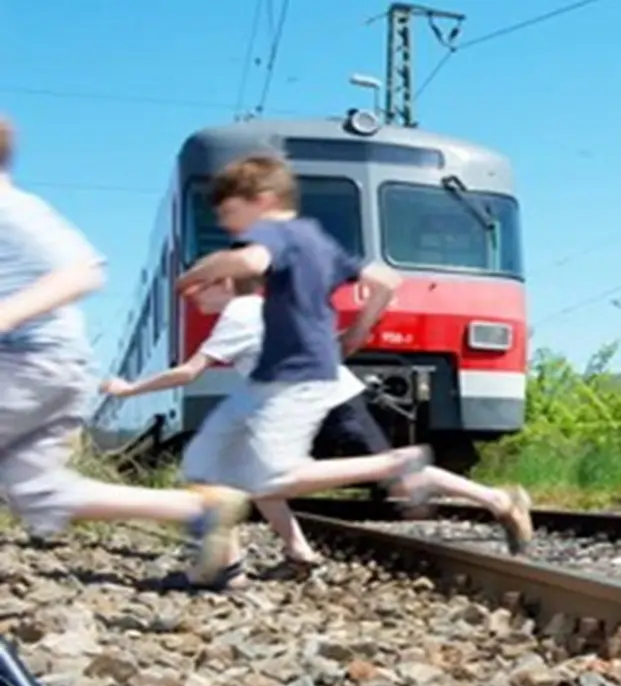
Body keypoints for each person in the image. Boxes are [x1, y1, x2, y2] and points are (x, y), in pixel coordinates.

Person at [100, 275, 534, 586]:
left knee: (395, 477)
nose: (193, 299)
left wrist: (129, 388)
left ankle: (498, 500)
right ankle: (299, 553)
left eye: (199, 289)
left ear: (225, 285)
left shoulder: (237, 316)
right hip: (323, 399)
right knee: (258, 476)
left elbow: (189, 372)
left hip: (325, 406)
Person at [169, 153, 445, 578]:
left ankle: (396, 464)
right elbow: (386, 282)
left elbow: (249, 263)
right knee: (209, 461)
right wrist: (358, 332)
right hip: (288, 371)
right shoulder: (318, 239)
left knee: (270, 478)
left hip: (293, 372)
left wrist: (196, 271)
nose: (228, 225)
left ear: (263, 199)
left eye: (230, 213)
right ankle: (228, 565)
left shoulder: (275, 232)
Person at [0, 114, 250, 582]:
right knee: (35, 491)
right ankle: (200, 511)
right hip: (46, 365)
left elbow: (83, 269)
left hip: (28, 361)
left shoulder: (9, 209)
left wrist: (8, 314)